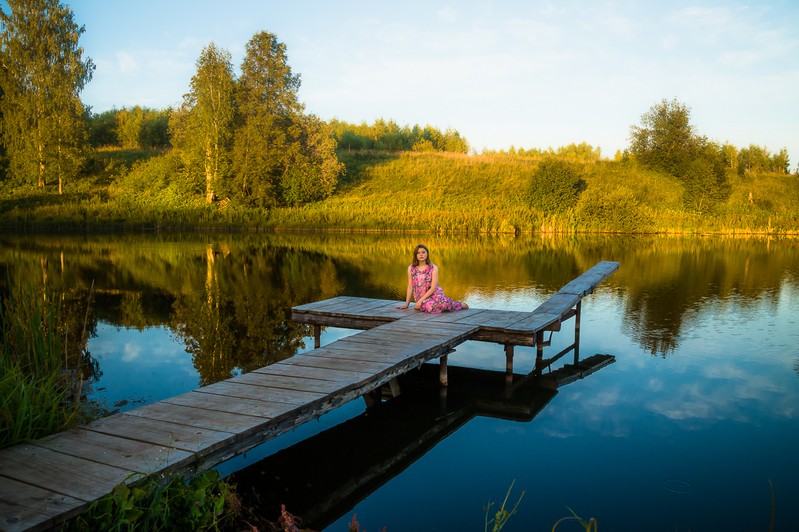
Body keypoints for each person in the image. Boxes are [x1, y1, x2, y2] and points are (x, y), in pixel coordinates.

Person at [397, 244, 469, 313]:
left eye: (423, 252)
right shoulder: (411, 268)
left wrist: (420, 301)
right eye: (418, 253)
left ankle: (459, 305)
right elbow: (410, 287)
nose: (421, 254)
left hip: (434, 294)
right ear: (415, 255)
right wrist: (406, 305)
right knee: (430, 306)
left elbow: (433, 288)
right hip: (420, 296)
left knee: (443, 304)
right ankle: (444, 305)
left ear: (427, 254)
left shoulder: (433, 268)